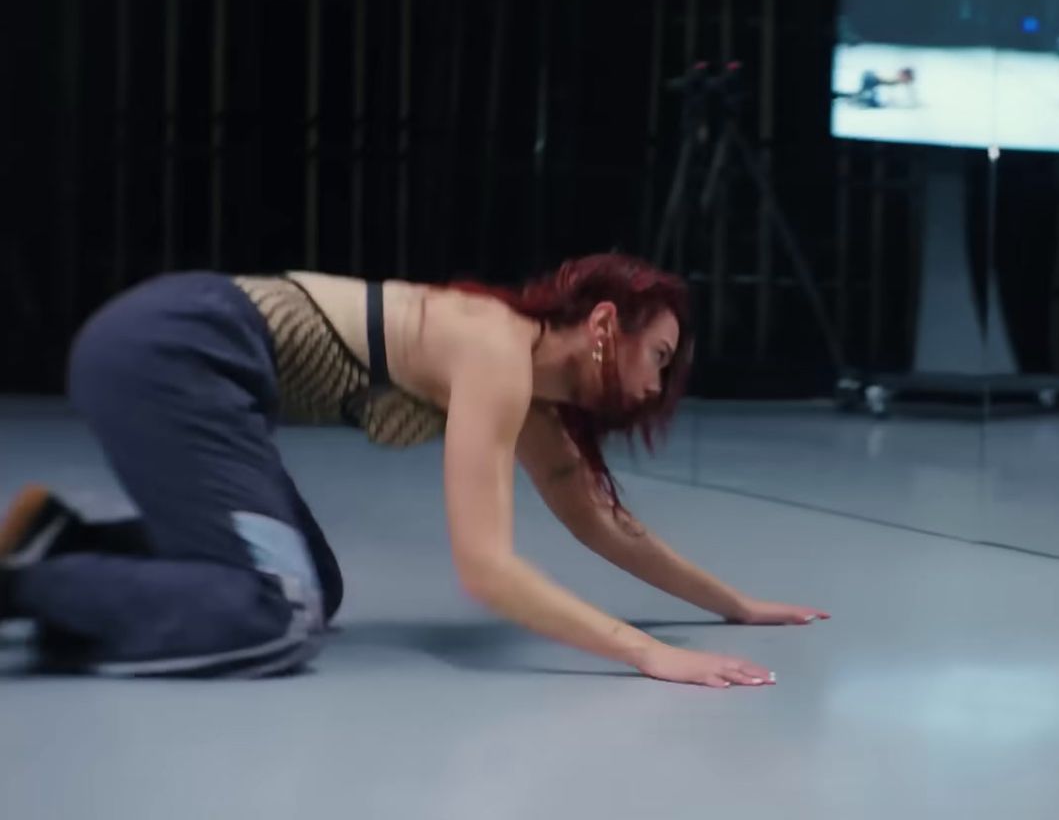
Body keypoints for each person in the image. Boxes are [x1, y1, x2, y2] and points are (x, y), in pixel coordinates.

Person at [0, 255, 828, 683]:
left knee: (312, 586)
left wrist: (736, 605)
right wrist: (646, 653)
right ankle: (25, 586)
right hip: (176, 349)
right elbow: (486, 568)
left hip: (200, 367)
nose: (654, 384)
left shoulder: (529, 387)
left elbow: (603, 523)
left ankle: (60, 542)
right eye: (659, 356)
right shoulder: (496, 350)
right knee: (272, 614)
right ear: (605, 323)